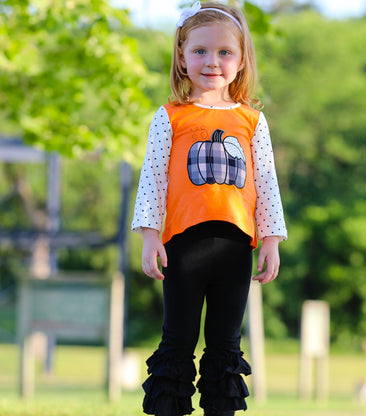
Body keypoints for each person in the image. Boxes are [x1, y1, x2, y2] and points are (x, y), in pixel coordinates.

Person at [131, 2, 287, 415]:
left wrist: (271, 239)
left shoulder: (253, 121)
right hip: (183, 246)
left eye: (224, 52)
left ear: (240, 60)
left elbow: (266, 183)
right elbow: (153, 178)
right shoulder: (171, 117)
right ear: (181, 57)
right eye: (199, 51)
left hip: (236, 248)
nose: (211, 62)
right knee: (178, 339)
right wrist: (150, 235)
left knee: (225, 345)